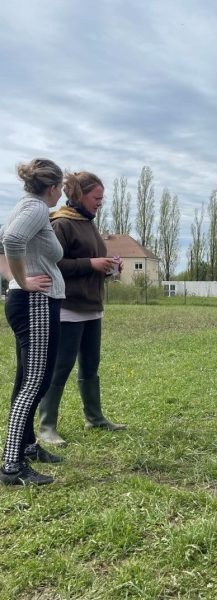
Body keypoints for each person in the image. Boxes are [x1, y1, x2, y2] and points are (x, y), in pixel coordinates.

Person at [38, 171, 126, 448]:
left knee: (90, 366)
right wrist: (91, 264)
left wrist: (110, 267)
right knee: (60, 367)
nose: (100, 202)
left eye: (102, 198)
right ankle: (47, 426)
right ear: (80, 195)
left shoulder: (89, 224)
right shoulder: (61, 224)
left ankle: (95, 417)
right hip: (68, 308)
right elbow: (52, 266)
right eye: (96, 197)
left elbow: (93, 262)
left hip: (92, 307)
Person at [0, 158, 65, 486]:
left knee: (26, 378)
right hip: (35, 302)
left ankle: (25, 446)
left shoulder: (23, 206)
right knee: (35, 382)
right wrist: (23, 281)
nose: (62, 194)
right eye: (61, 188)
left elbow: (8, 241)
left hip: (27, 301)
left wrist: (14, 280)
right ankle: (11, 465)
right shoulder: (37, 209)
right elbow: (11, 240)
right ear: (51, 187)